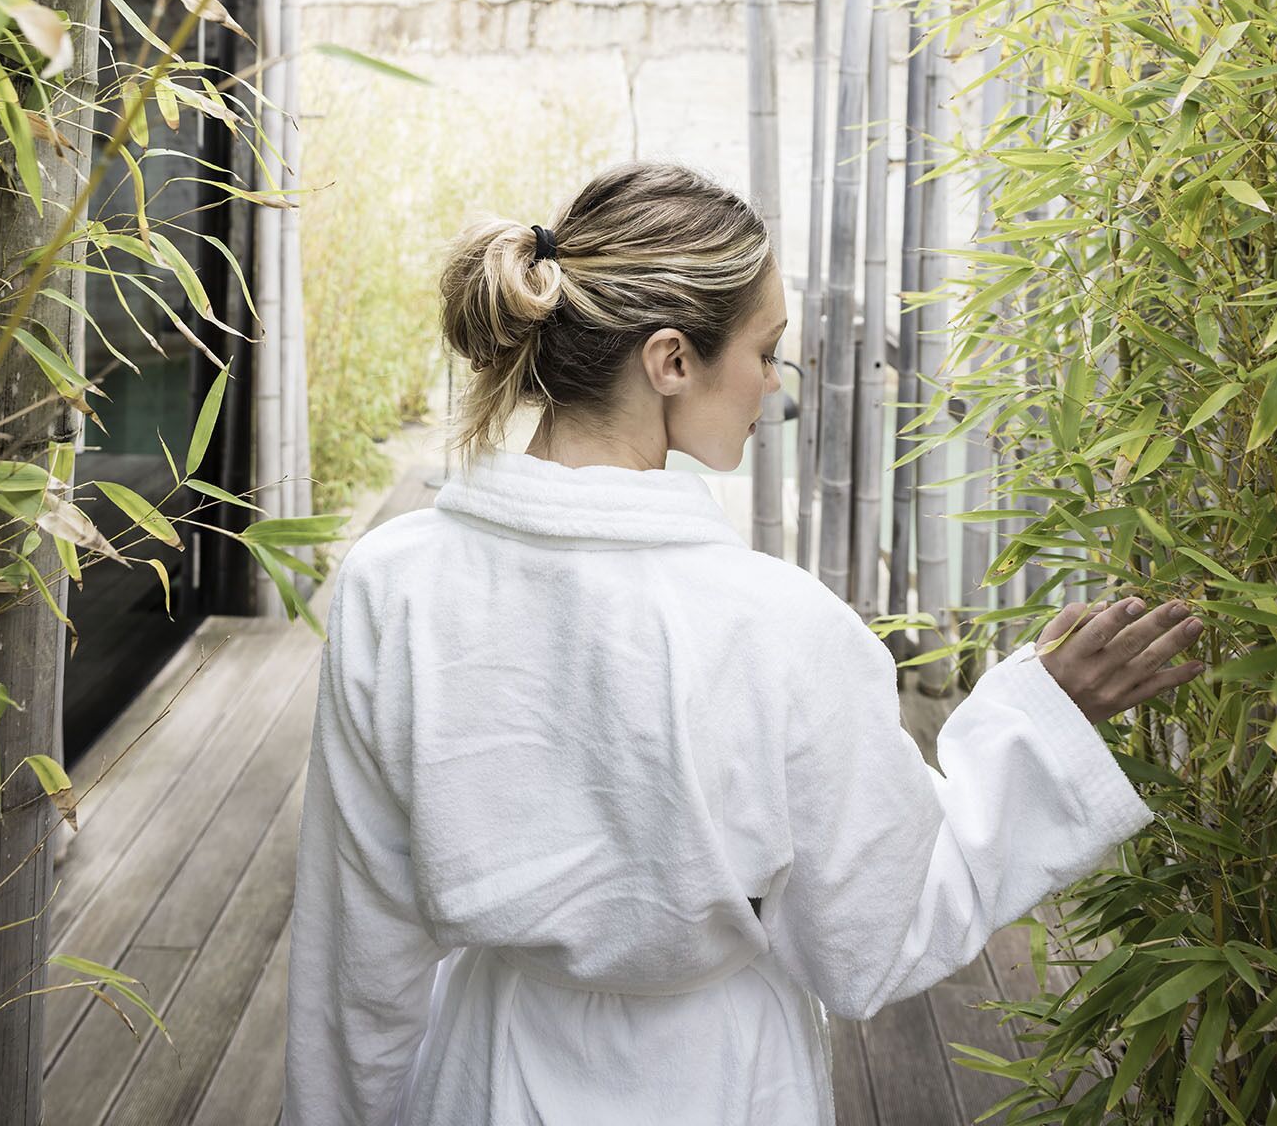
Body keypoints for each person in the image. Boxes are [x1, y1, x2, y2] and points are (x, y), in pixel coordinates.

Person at [282, 159, 1205, 1126]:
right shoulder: (780, 624)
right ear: (671, 360)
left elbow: (357, 947)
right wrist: (1039, 720)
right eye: (766, 351)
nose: (773, 384)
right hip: (719, 1082)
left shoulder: (393, 582)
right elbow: (875, 935)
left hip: (485, 1075)